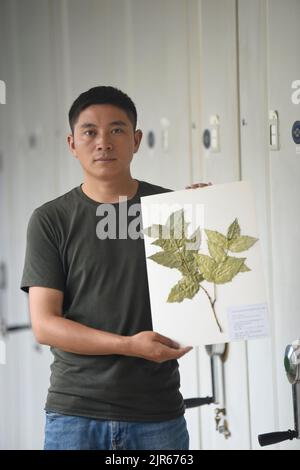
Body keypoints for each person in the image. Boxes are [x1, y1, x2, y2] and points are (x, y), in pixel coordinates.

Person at [20, 85, 210, 450]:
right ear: (72, 144)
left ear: (136, 140)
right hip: (75, 414)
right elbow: (45, 325)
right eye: (89, 132)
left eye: (117, 130)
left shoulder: (173, 210)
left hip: (157, 412)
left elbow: (206, 294)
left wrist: (213, 210)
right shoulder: (51, 220)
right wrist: (129, 346)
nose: (103, 142)